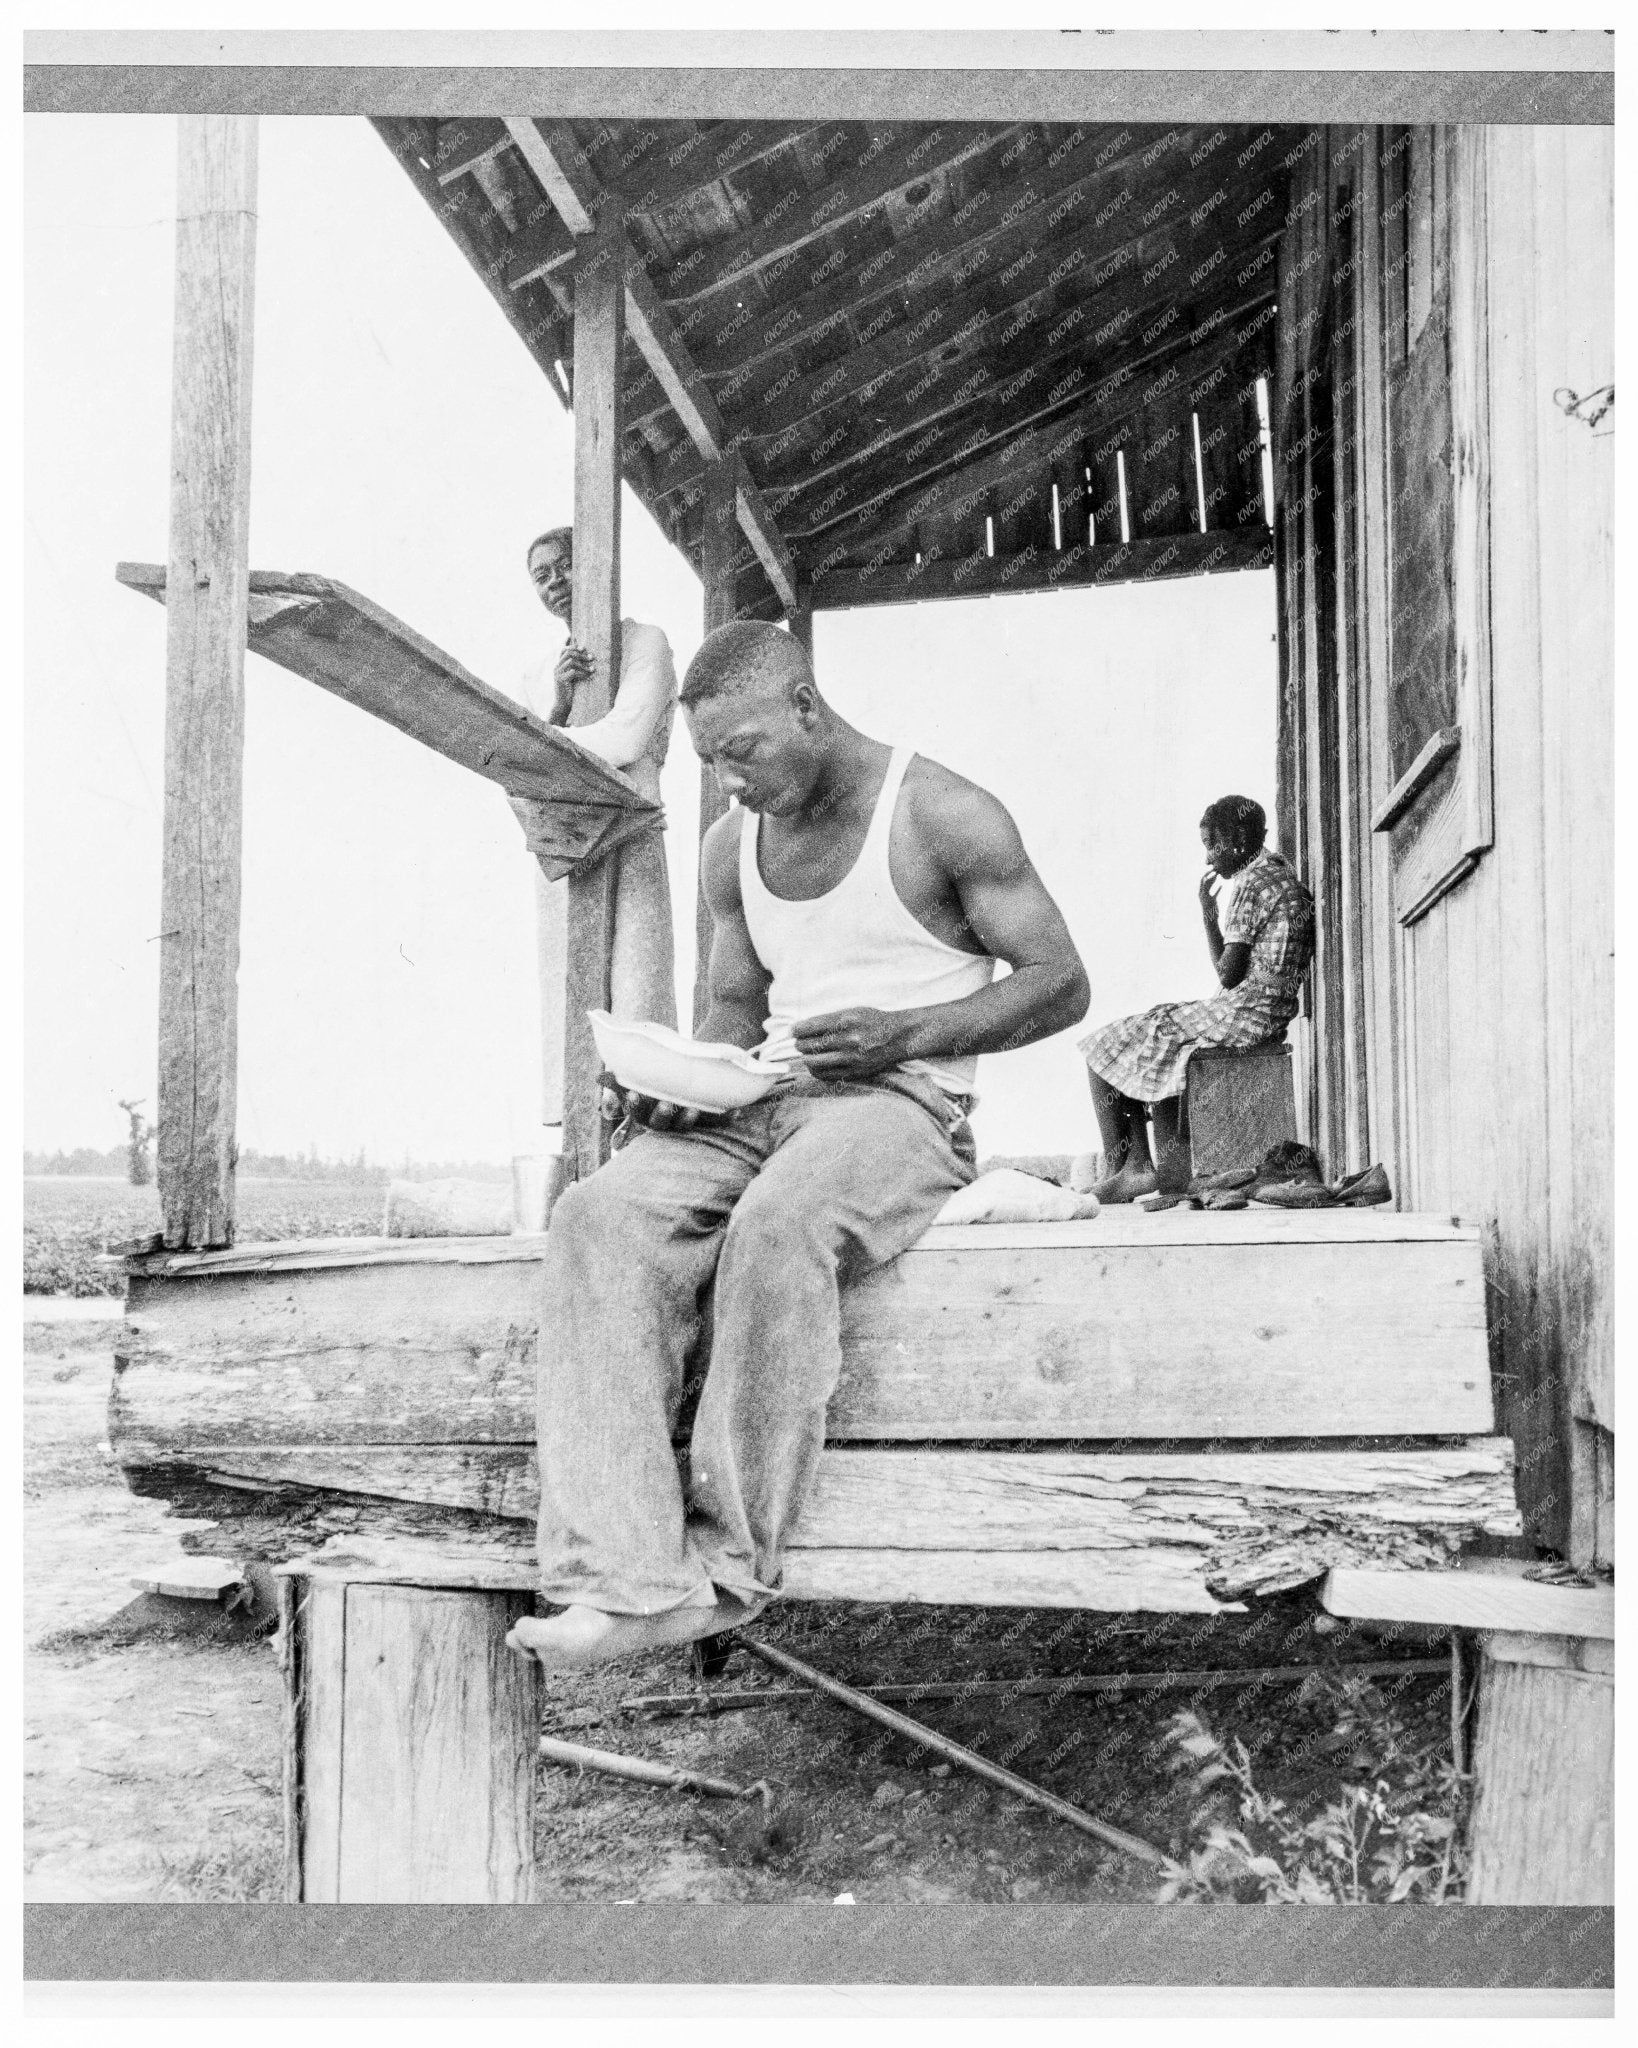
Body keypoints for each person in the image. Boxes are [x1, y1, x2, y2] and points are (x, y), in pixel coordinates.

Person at [508, 621, 1090, 1670]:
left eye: (744, 752)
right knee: (596, 1215)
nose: (730, 782)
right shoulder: (731, 847)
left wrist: (903, 1034)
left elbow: (1061, 981)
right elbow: (734, 1007)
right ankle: (628, 1580)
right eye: (711, 763)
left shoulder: (941, 811)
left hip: (902, 1102)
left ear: (806, 708)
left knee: (779, 1225)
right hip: (766, 1097)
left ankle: (730, 1569)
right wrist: (686, 1085)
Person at [1078, 795, 1315, 1203]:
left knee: (1106, 1043)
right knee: (1153, 1025)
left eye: (1212, 845)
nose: (1208, 858)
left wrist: (1207, 915)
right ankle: (1132, 1169)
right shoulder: (1280, 874)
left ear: (1238, 840)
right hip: (1267, 1010)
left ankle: (1133, 1169)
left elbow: (1227, 975)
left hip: (1248, 1014)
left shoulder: (1252, 884)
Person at [514, 524, 679, 1026]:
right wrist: (559, 707)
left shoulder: (646, 642)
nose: (555, 581)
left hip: (632, 829)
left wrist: (539, 744)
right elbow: (520, 773)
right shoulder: (538, 673)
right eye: (542, 575)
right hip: (565, 841)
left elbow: (625, 739)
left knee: (638, 988)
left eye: (566, 565)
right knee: (567, 997)